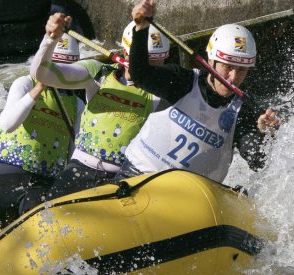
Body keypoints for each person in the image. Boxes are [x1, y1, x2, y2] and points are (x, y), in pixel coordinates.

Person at [117, 0, 280, 183]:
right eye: (227, 67)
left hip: (191, 197)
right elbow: (140, 74)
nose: (233, 77)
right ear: (211, 61)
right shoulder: (182, 81)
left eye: (242, 70)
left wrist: (265, 133)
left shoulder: (244, 110)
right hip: (138, 175)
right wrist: (141, 28)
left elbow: (258, 161)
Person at [29, 12, 171, 201]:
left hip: (122, 181)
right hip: (77, 171)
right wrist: (50, 40)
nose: (154, 71)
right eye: (149, 62)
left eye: (159, 62)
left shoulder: (163, 92)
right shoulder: (99, 73)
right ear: (128, 53)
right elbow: (43, 74)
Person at [0, 33, 85, 229]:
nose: (61, 76)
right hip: (5, 179)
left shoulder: (76, 104)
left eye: (67, 69)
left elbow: (73, 153)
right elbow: (8, 124)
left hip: (42, 186)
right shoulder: (25, 84)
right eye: (56, 68)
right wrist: (39, 89)